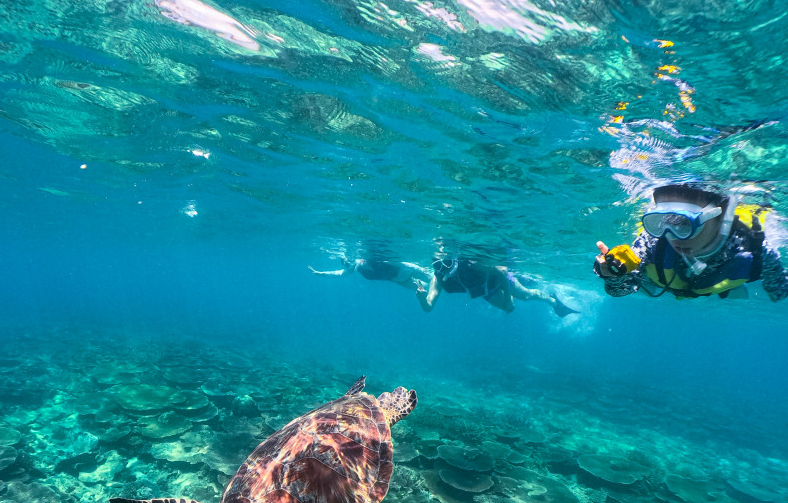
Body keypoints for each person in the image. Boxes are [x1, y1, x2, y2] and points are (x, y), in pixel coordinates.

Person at [594, 183, 788, 300]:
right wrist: (612, 274)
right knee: (646, 283)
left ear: (722, 217)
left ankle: (729, 289)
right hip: (665, 284)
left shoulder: (754, 248)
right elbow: (619, 291)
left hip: (718, 284)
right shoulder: (652, 242)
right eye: (663, 222)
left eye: (684, 223)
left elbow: (779, 290)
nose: (672, 236)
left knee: (737, 292)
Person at [415, 256, 578, 316]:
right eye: (438, 266)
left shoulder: (470, 263)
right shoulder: (438, 279)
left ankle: (554, 302)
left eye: (447, 262)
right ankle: (514, 293)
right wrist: (422, 298)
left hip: (500, 279)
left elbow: (501, 271)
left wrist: (507, 297)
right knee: (509, 309)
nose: (444, 268)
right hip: (486, 290)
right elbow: (428, 307)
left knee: (527, 295)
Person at [309, 253, 432, 290]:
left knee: (435, 280)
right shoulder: (355, 268)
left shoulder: (368, 257)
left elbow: (393, 261)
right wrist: (321, 273)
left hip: (407, 268)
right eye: (346, 263)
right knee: (427, 290)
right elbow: (340, 274)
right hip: (398, 279)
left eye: (349, 260)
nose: (349, 264)